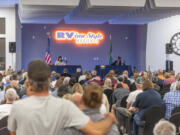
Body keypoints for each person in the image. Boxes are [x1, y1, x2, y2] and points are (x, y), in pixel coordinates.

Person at [8, 60, 117, 135]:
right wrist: (110, 119)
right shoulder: (65, 106)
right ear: (49, 80)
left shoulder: (17, 107)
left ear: (29, 81)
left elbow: (13, 133)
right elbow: (95, 131)